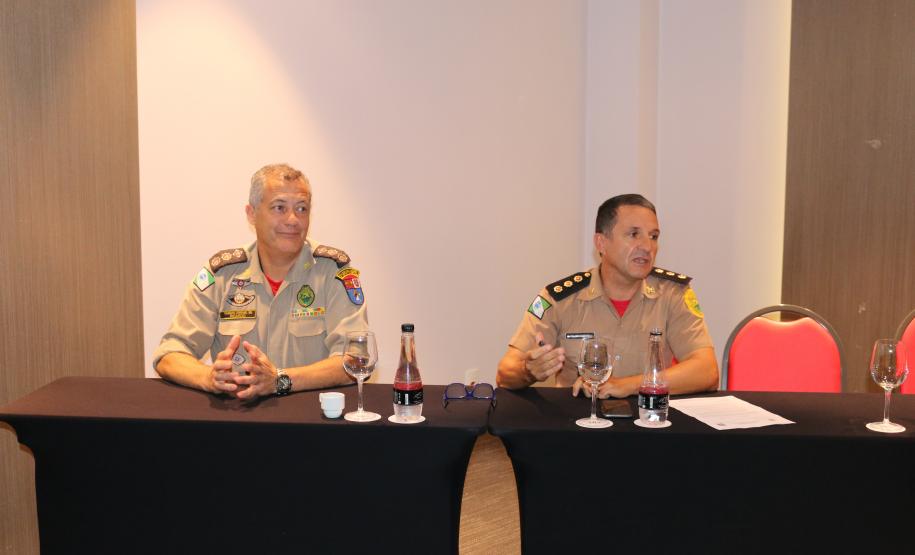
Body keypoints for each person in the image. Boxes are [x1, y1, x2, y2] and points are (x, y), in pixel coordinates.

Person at [153, 163, 368, 400]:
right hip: (237, 417)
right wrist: (208, 377)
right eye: (279, 207)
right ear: (252, 214)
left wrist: (280, 380)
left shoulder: (333, 272)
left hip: (311, 417)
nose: (293, 219)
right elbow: (169, 355)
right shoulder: (222, 274)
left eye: (302, 208)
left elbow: (356, 360)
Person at [496, 194, 718, 398]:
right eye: (634, 234)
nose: (647, 246)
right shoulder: (559, 299)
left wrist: (629, 385)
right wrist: (528, 370)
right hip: (578, 422)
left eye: (653, 236)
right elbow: (505, 373)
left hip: (648, 420)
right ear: (601, 243)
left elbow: (707, 371)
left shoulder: (673, 293)